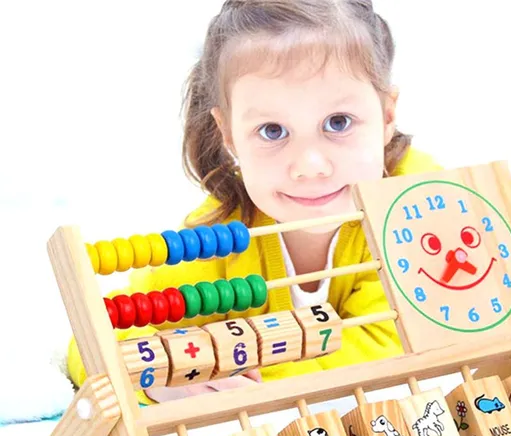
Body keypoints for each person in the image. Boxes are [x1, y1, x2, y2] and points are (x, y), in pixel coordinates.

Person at [67, 0, 442, 404]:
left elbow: (399, 341)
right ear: (228, 135)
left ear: (387, 117)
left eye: (338, 122)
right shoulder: (218, 238)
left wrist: (250, 386)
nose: (309, 166)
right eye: (272, 130)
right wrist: (156, 377)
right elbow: (91, 341)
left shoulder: (420, 206)